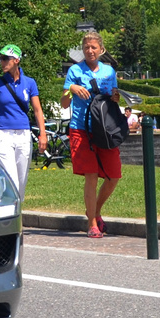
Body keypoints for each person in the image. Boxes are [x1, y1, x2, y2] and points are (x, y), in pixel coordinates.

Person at [64, 32, 123, 238]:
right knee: (91, 176)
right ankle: (91, 224)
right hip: (81, 128)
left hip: (104, 129)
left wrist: (118, 97)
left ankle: (95, 211)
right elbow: (64, 102)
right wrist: (71, 88)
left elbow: (114, 97)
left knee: (114, 175)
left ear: (101, 50)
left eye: (93, 47)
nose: (90, 50)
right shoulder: (74, 70)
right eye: (86, 47)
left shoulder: (109, 71)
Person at [0, 44, 46, 197]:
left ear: (16, 60)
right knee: (10, 179)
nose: (1, 62)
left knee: (21, 181)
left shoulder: (30, 83)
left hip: (23, 134)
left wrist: (43, 134)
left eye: (5, 58)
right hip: (3, 134)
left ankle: (16, 214)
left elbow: (37, 110)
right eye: (0, 59)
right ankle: (10, 214)